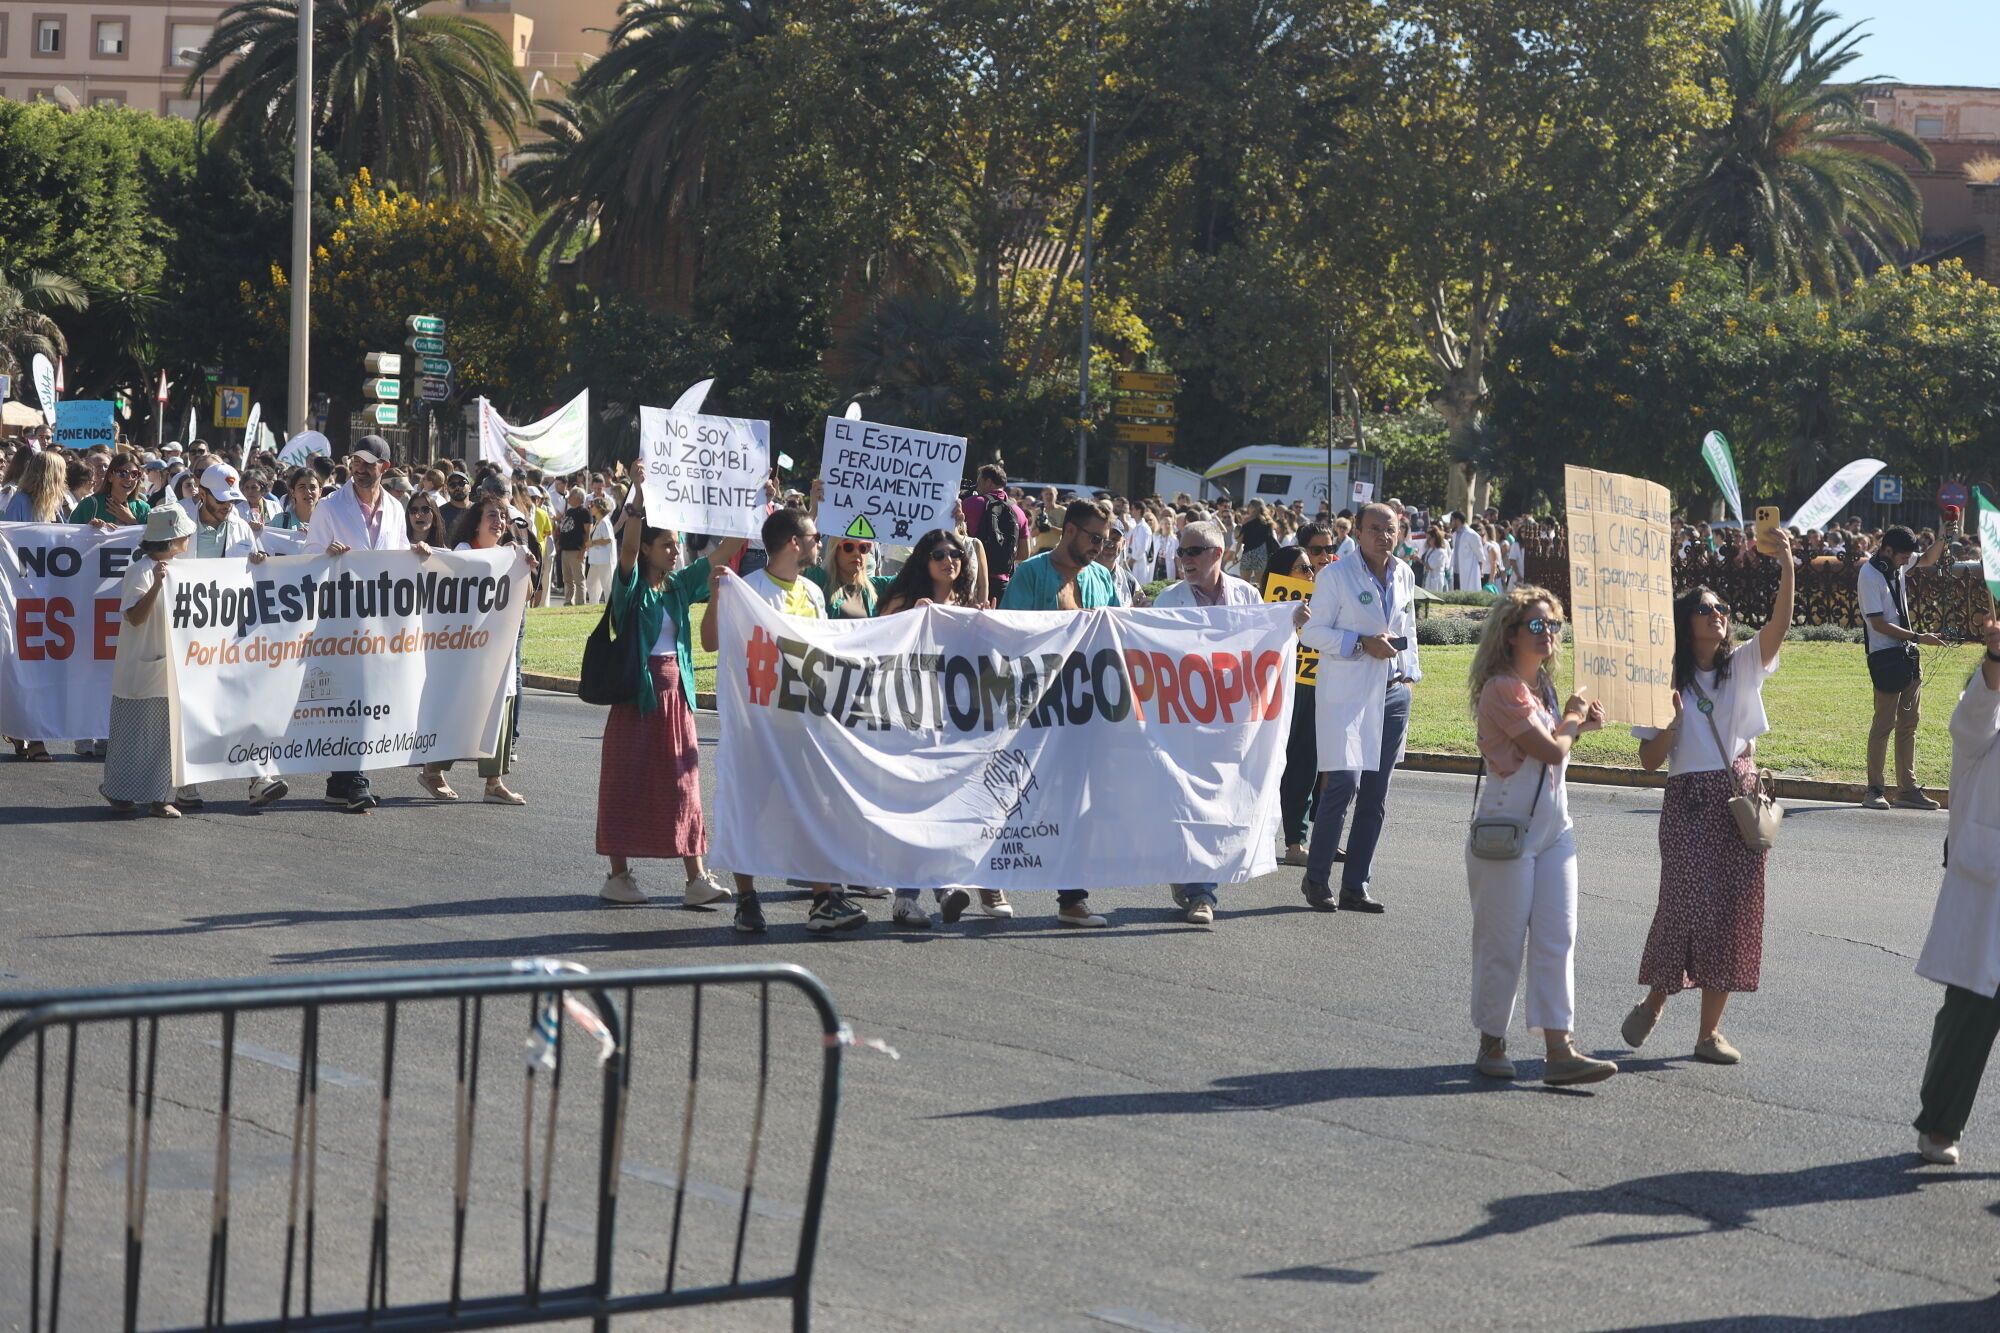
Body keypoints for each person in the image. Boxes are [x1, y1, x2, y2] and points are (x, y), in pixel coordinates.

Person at [1620, 533, 1795, 1064]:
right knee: (1682, 907)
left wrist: (1787, 565)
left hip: (1737, 796)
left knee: (1732, 913)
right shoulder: (1662, 678)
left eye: (1721, 607)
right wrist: (1671, 722)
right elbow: (1650, 761)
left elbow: (1779, 625)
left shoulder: (1741, 665)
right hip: (1688, 798)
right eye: (1704, 608)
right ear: (1685, 620)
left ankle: (1708, 1033)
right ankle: (1656, 998)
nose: (1717, 613)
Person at [1464, 586, 1618, 1086]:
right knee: (1501, 943)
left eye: (1554, 625)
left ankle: (1560, 1049)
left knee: (1558, 938)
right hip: (1508, 831)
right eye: (1537, 625)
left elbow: (1555, 738)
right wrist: (1574, 719)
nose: (1549, 633)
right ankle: (1491, 1041)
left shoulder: (1542, 689)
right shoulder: (1502, 689)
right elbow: (1551, 750)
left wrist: (1579, 725)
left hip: (1555, 828)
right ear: (1510, 635)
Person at [705, 507, 867, 934]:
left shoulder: (814, 593)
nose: (819, 543)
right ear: (794, 543)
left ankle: (823, 900)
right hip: (759, 725)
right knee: (750, 810)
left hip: (804, 724)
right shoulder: (748, 589)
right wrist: (719, 596)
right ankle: (746, 899)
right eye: (813, 537)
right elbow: (709, 643)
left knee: (816, 808)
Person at [596, 495, 743, 908]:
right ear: (646, 548)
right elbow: (625, 549)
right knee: (625, 783)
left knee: (684, 787)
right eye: (666, 545)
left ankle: (696, 879)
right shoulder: (631, 587)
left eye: (677, 544)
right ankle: (618, 876)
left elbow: (726, 550)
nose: (675, 551)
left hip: (677, 699)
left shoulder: (678, 585)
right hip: (636, 699)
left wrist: (753, 505)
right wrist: (640, 500)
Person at [998, 498, 1121, 927]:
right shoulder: (1031, 575)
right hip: (1033, 709)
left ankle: (1072, 898)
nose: (1098, 547)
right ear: (1069, 530)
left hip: (1083, 712)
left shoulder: (1103, 578)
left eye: (1104, 541)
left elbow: (1117, 637)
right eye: (1093, 538)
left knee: (1077, 804)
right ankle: (985, 879)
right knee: (1009, 797)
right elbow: (1010, 635)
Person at [1298, 503, 1421, 913]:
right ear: (1358, 531)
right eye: (1374, 529)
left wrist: (1409, 672)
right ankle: (1316, 878)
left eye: (1390, 529)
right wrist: (1359, 643)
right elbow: (1311, 632)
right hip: (1348, 692)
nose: (1383, 536)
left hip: (1392, 694)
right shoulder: (1335, 575)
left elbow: (1408, 627)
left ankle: (1356, 884)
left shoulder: (1404, 572)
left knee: (1375, 794)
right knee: (1343, 785)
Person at [872, 528, 998, 927]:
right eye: (940, 554)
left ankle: (942, 887)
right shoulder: (904, 599)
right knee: (917, 806)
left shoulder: (963, 604)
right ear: (924, 560)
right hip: (908, 721)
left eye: (956, 553)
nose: (950, 560)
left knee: (947, 805)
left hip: (951, 721)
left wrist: (986, 625)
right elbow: (872, 640)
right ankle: (909, 898)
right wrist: (908, 617)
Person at [1155, 519, 1276, 924]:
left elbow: (1263, 644)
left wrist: (1289, 625)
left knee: (1220, 799)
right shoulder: (1168, 600)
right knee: (1187, 798)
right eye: (1180, 552)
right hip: (1184, 718)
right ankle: (1199, 891)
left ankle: (1197, 883)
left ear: (1217, 554)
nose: (1184, 560)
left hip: (1232, 716)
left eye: (1192, 552)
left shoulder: (1247, 595)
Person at [1911, 618, 2000, 1165]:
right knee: (1970, 1013)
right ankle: (1940, 1125)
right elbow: (1978, 709)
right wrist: (1996, 658)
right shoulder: (1980, 726)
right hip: (1988, 898)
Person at [303, 436, 420, 813]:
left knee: (367, 697)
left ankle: (341, 782)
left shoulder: (396, 509)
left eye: (369, 463)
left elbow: (397, 556)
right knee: (352, 697)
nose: (360, 468)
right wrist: (326, 554)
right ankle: (354, 780)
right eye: (356, 461)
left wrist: (416, 555)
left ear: (384, 468)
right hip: (339, 618)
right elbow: (307, 558)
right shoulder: (329, 507)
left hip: (380, 619)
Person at [416, 496, 529, 806]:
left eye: (503, 516)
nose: (500, 521)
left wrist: (524, 566)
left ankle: (494, 783)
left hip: (498, 651)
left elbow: (527, 595)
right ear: (476, 522)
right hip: (467, 652)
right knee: (463, 714)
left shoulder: (509, 554)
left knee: (499, 714)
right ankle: (432, 771)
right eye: (492, 515)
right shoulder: (464, 553)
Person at [101, 506, 200, 816]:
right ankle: (120, 792)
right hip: (142, 665)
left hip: (169, 664)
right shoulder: (141, 570)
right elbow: (134, 617)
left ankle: (160, 797)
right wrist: (157, 585)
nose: (187, 539)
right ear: (171, 539)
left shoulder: (182, 569)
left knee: (165, 736)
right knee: (132, 735)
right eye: (183, 535)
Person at [1857, 525, 1949, 810]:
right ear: (1887, 550)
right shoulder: (1869, 575)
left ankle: (1907, 789)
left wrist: (1945, 533)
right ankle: (1874, 789)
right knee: (1884, 724)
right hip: (1886, 657)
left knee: (1909, 724)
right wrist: (1919, 637)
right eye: (1902, 557)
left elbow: (1929, 559)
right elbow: (1878, 623)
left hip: (1907, 654)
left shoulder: (1898, 560)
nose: (1906, 561)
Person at [1274, 524, 1338, 866]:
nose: (1323, 560)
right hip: (1278, 692)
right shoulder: (1269, 602)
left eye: (1329, 551)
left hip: (1315, 690)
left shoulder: (1333, 593)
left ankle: (1300, 839)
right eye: (1312, 558)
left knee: (1307, 764)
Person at [964, 464, 1029, 599]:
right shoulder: (1019, 512)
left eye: (979, 481)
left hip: (972, 577)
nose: (976, 486)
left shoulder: (970, 504)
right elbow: (1024, 553)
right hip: (1002, 583)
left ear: (988, 482)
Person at [72, 448, 150, 529]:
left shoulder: (143, 508)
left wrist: (132, 521)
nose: (129, 478)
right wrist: (88, 529)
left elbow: (150, 539)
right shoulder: (89, 505)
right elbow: (69, 535)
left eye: (134, 474)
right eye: (122, 473)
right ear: (110, 476)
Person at [1, 450, 71, 523]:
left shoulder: (56, 502)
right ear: (53, 475)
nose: (64, 476)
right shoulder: (20, 500)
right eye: (62, 471)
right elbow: (8, 532)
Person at [558, 487, 591, 605]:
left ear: (578, 497)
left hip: (576, 550)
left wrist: (583, 550)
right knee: (567, 579)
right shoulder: (569, 511)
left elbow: (587, 533)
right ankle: (568, 601)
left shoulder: (585, 512)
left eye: (571, 496)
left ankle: (580, 602)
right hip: (565, 549)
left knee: (578, 579)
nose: (569, 499)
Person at [583, 496, 616, 603]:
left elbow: (608, 539)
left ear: (599, 508)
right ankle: (593, 606)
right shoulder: (598, 522)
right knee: (591, 584)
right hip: (596, 560)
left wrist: (592, 543)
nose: (590, 508)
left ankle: (609, 609)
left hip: (604, 560)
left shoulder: (605, 522)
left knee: (607, 586)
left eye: (592, 506)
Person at [269, 469, 321, 534]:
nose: (308, 492)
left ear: (320, 492)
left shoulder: (328, 523)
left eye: (312, 487)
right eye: (302, 487)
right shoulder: (279, 521)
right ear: (292, 492)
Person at [1449, 511, 1485, 593]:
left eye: (1452, 520)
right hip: (1456, 570)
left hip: (1469, 570)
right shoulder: (1455, 535)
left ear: (1457, 520)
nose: (1450, 523)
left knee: (1467, 591)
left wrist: (1481, 569)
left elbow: (1480, 555)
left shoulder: (1471, 534)